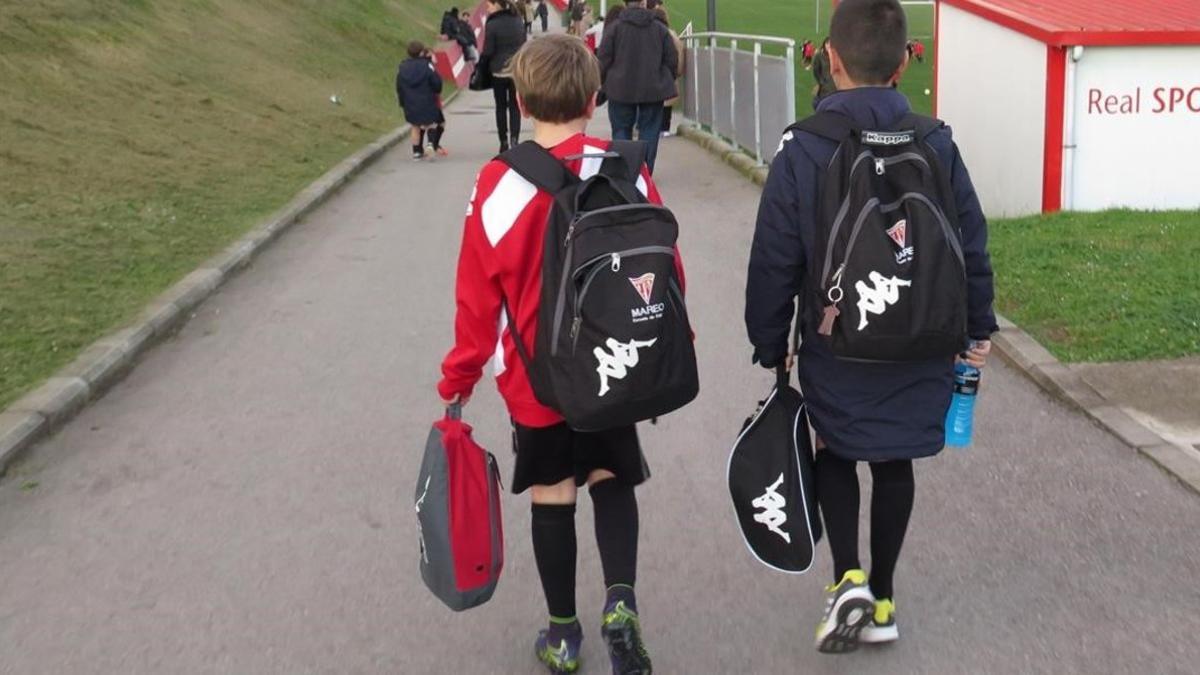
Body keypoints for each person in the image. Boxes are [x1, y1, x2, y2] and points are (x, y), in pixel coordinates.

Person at [745, 0, 996, 656]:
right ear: (907, 60)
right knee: (893, 459)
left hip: (837, 341)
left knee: (835, 447)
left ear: (830, 59)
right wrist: (979, 327)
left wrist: (770, 341)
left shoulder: (804, 146)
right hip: (924, 338)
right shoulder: (936, 140)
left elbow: (775, 256)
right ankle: (882, 597)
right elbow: (971, 244)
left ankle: (847, 577)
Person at [438, 33, 668, 675]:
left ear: (522, 97)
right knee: (612, 477)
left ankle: (563, 634)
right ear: (596, 99)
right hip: (614, 362)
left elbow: (475, 296)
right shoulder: (626, 165)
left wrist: (458, 377)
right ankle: (620, 603)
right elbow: (663, 263)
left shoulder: (497, 182)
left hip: (537, 377)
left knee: (553, 489)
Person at [598, 0, 678, 173]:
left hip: (619, 88)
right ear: (643, 2)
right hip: (652, 88)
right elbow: (672, 60)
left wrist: (604, 82)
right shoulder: (659, 29)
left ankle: (624, 172)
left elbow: (603, 59)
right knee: (649, 130)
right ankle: (645, 171)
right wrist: (663, 79)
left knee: (621, 129)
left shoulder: (615, 28)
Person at [479, 0, 527, 152]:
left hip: (498, 71)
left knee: (500, 107)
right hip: (515, 71)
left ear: (497, 5)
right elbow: (523, 44)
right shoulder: (518, 20)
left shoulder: (492, 24)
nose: (487, 8)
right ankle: (515, 139)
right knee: (515, 106)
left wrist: (481, 68)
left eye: (489, 5)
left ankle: (503, 141)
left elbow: (488, 51)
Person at [395, 42, 447, 160]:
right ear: (421, 52)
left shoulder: (402, 67)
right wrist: (436, 90)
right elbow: (436, 82)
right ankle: (430, 144)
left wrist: (402, 100)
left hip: (410, 101)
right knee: (431, 124)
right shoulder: (427, 65)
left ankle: (417, 152)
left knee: (415, 126)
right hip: (426, 99)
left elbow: (399, 86)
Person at [653, 5, 684, 137]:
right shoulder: (671, 34)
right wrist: (678, 72)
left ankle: (656, 128)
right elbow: (680, 54)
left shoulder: (651, 32)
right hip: (667, 73)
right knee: (667, 100)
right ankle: (664, 128)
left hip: (653, 73)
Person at [811, 37, 836, 109]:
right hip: (825, 87)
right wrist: (821, 81)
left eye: (831, 44)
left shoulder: (836, 56)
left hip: (835, 86)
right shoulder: (819, 56)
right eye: (827, 43)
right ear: (824, 44)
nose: (829, 46)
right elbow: (816, 70)